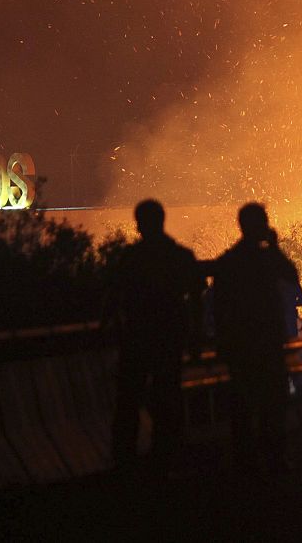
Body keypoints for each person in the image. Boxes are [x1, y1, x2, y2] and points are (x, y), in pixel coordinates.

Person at [109, 199, 203, 469]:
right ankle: (166, 455)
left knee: (129, 399)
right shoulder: (180, 256)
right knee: (168, 396)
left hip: (137, 338)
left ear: (139, 224)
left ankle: (125, 458)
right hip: (169, 338)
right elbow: (196, 298)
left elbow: (114, 297)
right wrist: (195, 337)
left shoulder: (131, 258)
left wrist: (112, 329)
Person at [211, 201, 302, 472]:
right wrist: (274, 247)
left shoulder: (229, 261)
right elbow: (291, 275)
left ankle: (246, 461)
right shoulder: (265, 259)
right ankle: (273, 457)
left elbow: (218, 306)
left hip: (241, 344)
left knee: (244, 404)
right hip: (264, 342)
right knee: (271, 401)